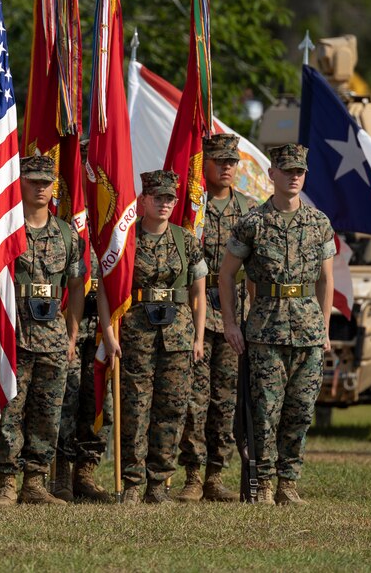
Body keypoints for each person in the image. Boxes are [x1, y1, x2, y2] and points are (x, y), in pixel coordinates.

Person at [219, 143, 334, 506]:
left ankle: (288, 482)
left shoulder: (318, 223)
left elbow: (326, 281)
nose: (294, 176)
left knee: (300, 410)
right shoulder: (253, 224)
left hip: (308, 331)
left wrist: (325, 328)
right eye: (287, 171)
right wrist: (231, 325)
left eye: (300, 171)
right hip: (265, 329)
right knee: (266, 411)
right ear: (272, 175)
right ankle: (264, 483)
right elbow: (226, 277)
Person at [0, 154, 85, 505]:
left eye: (45, 182)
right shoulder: (3, 231)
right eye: (33, 180)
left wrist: (71, 335)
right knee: (10, 410)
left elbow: (77, 286)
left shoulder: (67, 233)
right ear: (20, 183)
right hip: (13, 334)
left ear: (54, 187)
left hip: (52, 338)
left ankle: (35, 482)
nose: (40, 187)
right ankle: (7, 481)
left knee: (47, 413)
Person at [101, 170, 207, 504]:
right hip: (135, 334)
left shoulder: (185, 239)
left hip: (177, 336)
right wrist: (107, 331)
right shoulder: (126, 239)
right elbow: (107, 289)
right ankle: (132, 482)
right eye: (157, 197)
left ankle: (159, 483)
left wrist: (199, 338)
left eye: (169, 198)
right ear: (143, 200)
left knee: (172, 409)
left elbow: (199, 293)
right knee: (134, 408)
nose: (164, 203)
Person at [177, 133, 254, 503]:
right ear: (202, 164)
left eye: (232, 161)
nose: (227, 167)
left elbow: (254, 270)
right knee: (195, 398)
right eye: (220, 160)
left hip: (234, 317)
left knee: (225, 400)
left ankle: (215, 475)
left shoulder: (249, 211)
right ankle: (192, 474)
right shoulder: (190, 209)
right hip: (195, 314)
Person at [53, 138, 113, 503]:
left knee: (97, 397)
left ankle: (85, 473)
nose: (89, 171)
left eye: (95, 164)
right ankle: (59, 471)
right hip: (66, 317)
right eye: (84, 163)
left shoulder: (111, 208)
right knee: (65, 397)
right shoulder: (64, 207)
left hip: (103, 320)